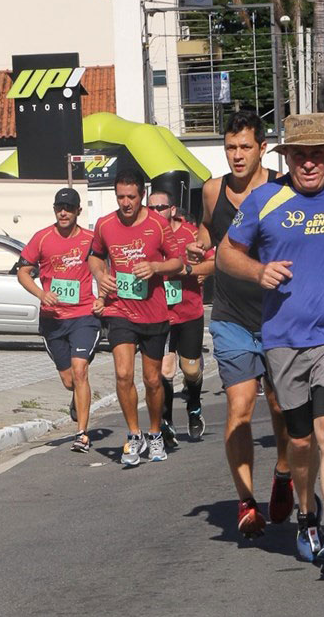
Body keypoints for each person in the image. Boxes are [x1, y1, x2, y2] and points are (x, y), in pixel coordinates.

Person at [217, 113, 324, 579]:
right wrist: (258, 271)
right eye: (300, 155)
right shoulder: (264, 200)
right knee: (299, 440)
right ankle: (307, 512)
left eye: (318, 154)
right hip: (282, 338)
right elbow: (225, 254)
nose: (309, 163)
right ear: (287, 157)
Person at [188, 110, 293, 537]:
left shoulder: (282, 189)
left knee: (281, 406)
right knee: (240, 406)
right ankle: (246, 501)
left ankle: (284, 472)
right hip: (231, 316)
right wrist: (198, 247)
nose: (237, 155)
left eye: (245, 147)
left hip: (279, 315)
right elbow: (206, 232)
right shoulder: (213, 190)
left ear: (262, 148)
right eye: (230, 147)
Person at [88, 169, 183, 465]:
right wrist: (100, 275)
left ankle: (154, 433)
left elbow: (177, 261)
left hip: (153, 311)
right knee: (123, 374)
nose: (125, 203)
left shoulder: (158, 224)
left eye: (131, 197)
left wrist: (155, 267)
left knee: (152, 380)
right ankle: (133, 434)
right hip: (119, 309)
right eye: (120, 197)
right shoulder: (105, 224)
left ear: (142, 194)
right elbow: (94, 255)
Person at [17, 188, 103, 453]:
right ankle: (77, 398)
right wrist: (42, 294)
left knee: (80, 370)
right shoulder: (42, 238)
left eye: (69, 208)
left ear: (78, 211)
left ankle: (82, 434)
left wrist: (104, 299)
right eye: (59, 208)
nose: (63, 213)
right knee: (69, 380)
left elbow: (106, 269)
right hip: (53, 320)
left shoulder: (91, 239)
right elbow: (23, 272)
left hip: (84, 315)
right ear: (54, 210)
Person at [146, 191, 215, 445]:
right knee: (165, 371)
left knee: (191, 370)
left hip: (189, 312)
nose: (156, 212)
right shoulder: (146, 234)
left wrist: (193, 270)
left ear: (172, 209)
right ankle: (166, 422)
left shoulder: (191, 233)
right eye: (151, 208)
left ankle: (194, 407)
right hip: (160, 313)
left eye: (161, 207)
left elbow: (214, 261)